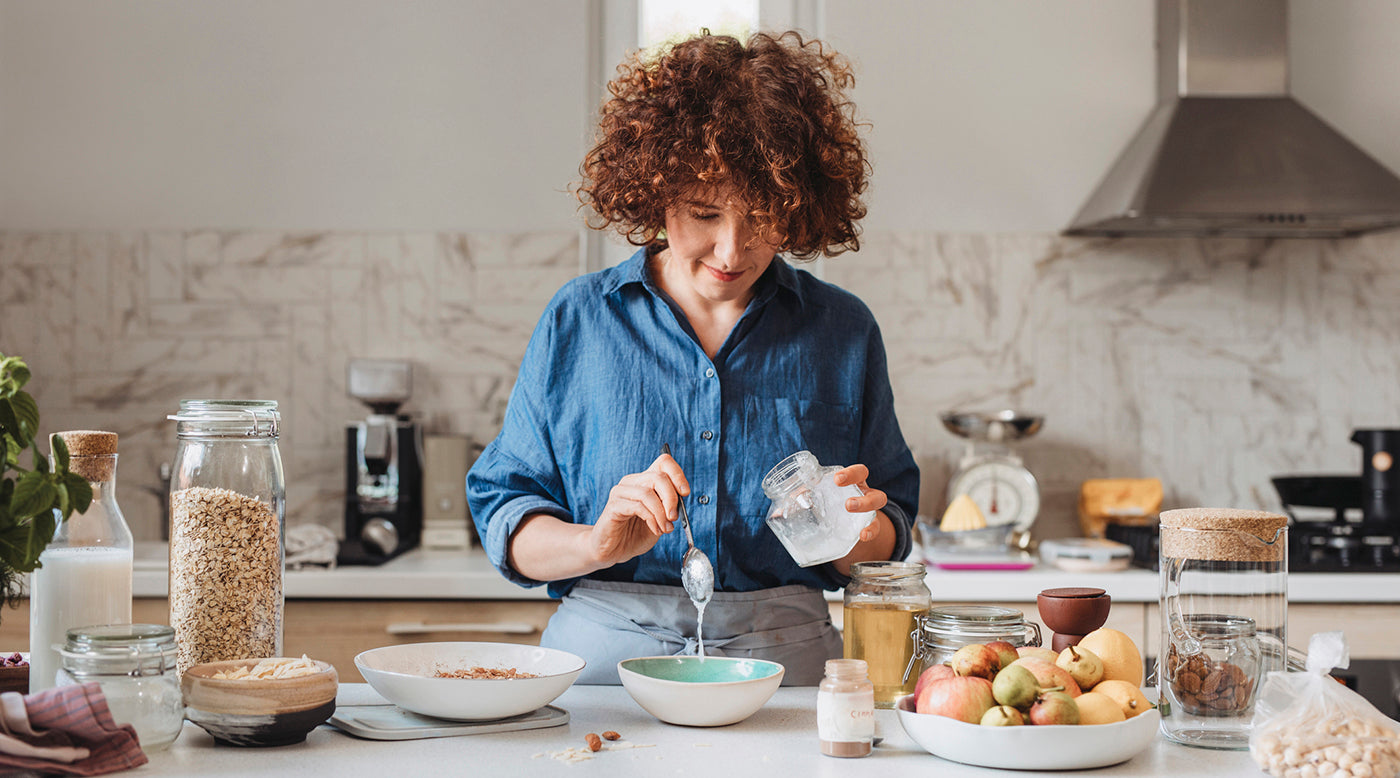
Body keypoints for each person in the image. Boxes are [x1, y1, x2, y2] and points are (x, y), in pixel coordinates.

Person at [466, 30, 918, 686]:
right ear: (656, 194)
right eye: (704, 213)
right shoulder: (580, 318)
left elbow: (888, 534)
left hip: (787, 659)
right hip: (603, 660)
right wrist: (594, 542)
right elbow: (507, 512)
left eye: (761, 216)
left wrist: (861, 533)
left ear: (798, 206)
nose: (731, 251)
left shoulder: (842, 329)